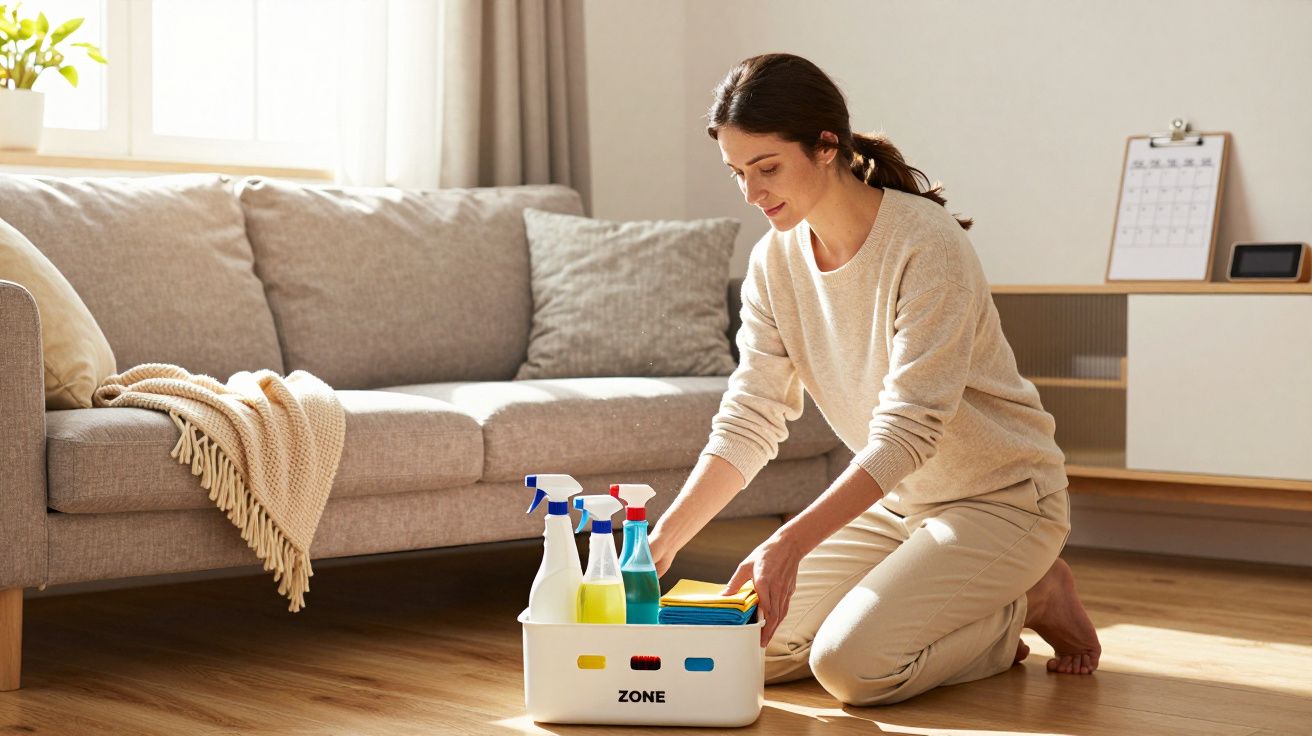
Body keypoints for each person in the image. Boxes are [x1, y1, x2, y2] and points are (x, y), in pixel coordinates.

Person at [648, 53, 1102, 707]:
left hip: (1003, 500)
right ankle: (952, 594)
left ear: (826, 145)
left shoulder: (927, 243)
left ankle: (1026, 600)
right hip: (900, 506)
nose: (751, 192)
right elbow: (751, 413)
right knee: (748, 647)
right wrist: (664, 540)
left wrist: (787, 542)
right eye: (737, 173)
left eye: (767, 167)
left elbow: (909, 430)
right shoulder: (774, 261)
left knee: (852, 666)